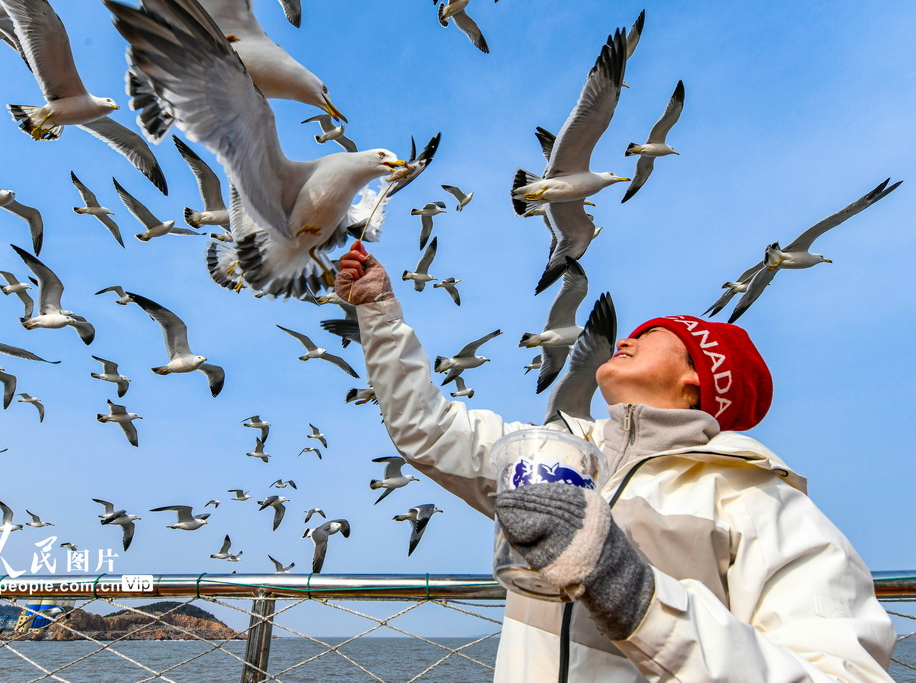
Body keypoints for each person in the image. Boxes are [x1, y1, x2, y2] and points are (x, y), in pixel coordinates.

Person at [335, 241, 895, 681]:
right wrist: (379, 312)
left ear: (700, 376)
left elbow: (841, 675)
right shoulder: (553, 456)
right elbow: (427, 430)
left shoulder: (759, 499)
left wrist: (632, 592)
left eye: (655, 335)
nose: (626, 338)